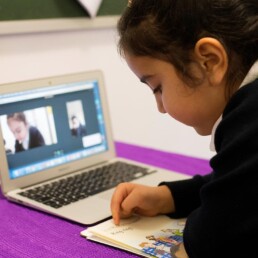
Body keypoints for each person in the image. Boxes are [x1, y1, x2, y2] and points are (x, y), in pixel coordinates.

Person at [110, 0, 258, 257]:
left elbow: (209, 242)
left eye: (158, 88)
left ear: (209, 61)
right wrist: (170, 197)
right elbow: (241, 183)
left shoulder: (251, 117)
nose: (161, 107)